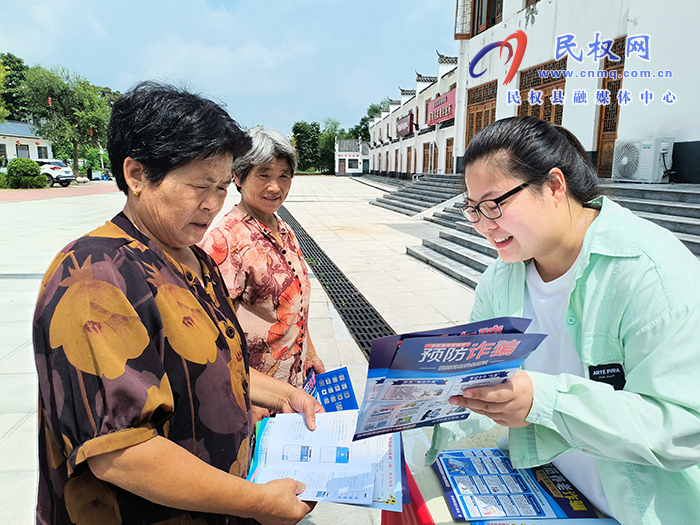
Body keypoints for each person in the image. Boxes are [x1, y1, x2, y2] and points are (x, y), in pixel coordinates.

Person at [33, 82, 323, 525]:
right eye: (199, 187)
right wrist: (260, 503)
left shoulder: (195, 259)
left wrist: (284, 393)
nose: (212, 205)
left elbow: (211, 369)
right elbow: (124, 452)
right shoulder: (94, 277)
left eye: (223, 187)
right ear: (136, 176)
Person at [427, 116, 700, 525]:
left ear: (555, 186)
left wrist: (545, 401)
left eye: (494, 204)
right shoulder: (502, 277)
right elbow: (476, 381)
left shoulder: (649, 272)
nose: (484, 225)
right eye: (473, 209)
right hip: (552, 488)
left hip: (639, 509)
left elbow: (683, 426)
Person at [200, 127, 324, 421]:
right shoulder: (226, 240)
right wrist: (247, 393)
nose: (275, 186)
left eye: (284, 175)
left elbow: (293, 306)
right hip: (255, 397)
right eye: (264, 174)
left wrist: (310, 352)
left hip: (292, 389)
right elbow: (211, 334)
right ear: (239, 178)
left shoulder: (283, 229)